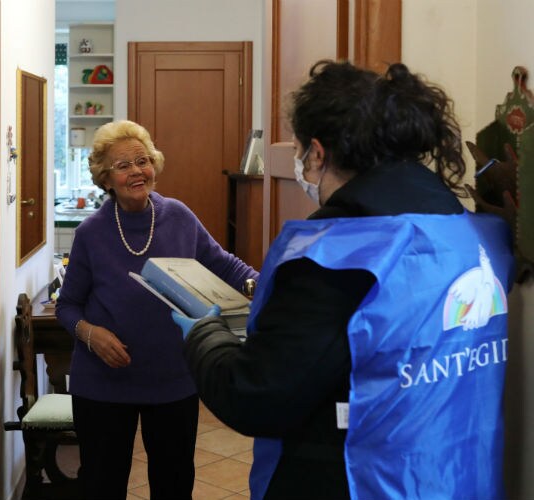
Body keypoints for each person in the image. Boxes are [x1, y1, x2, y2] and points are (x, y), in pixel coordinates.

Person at [172, 61, 515, 499]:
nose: (298, 163)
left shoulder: (338, 257)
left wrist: (203, 335)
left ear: (317, 152)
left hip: (356, 479)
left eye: (298, 151)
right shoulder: (470, 233)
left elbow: (256, 397)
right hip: (457, 475)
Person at [55, 120, 258, 500]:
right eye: (123, 165)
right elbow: (67, 305)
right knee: (102, 483)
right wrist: (90, 334)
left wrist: (266, 286)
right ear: (105, 177)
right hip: (103, 383)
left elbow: (226, 265)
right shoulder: (91, 233)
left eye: (143, 160)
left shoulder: (178, 216)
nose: (136, 171)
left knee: (174, 483)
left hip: (173, 378)